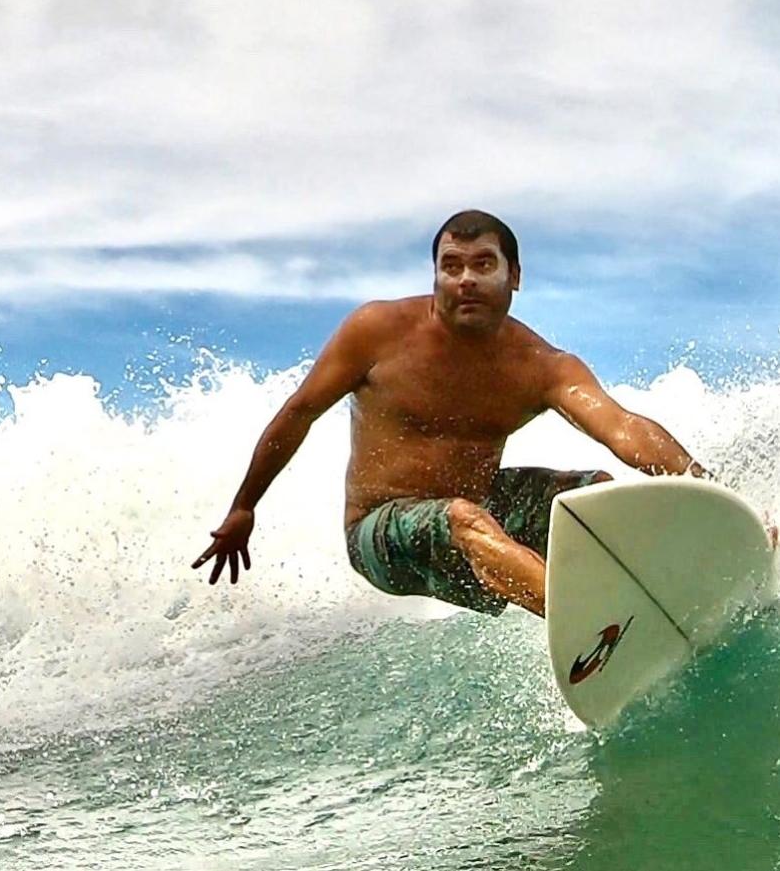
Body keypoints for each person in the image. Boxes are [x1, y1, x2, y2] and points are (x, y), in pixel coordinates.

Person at [192, 210, 727, 617]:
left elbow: (622, 427)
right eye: (451, 267)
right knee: (463, 519)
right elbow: (298, 413)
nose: (465, 279)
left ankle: (680, 582)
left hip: (479, 507)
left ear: (514, 276)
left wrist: (709, 493)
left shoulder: (539, 366)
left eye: (482, 265)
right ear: (435, 277)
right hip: (381, 532)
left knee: (598, 495)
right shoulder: (377, 333)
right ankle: (589, 623)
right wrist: (245, 507)